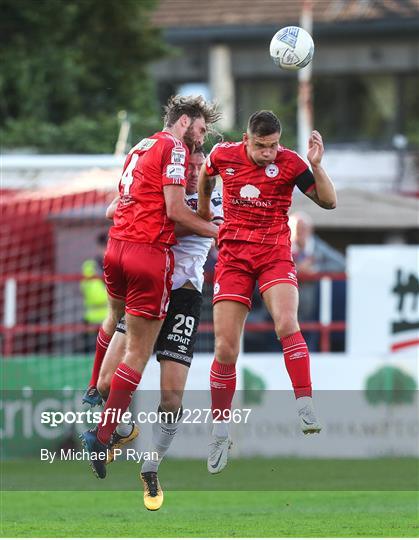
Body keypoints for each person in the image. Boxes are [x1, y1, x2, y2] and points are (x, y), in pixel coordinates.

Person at [80, 95, 221, 480]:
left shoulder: (213, 192)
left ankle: (152, 463)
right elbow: (157, 214)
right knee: (114, 380)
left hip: (184, 292)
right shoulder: (169, 160)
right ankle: (114, 427)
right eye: (190, 163)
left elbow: (148, 214)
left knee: (171, 397)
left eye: (199, 167)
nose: (193, 170)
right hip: (151, 271)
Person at [197, 110, 337, 474]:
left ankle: (305, 402)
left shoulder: (290, 163)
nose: (269, 153)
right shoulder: (223, 155)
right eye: (262, 146)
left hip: (274, 255)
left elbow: (329, 202)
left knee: (286, 323)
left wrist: (317, 166)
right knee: (226, 348)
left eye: (274, 145)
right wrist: (202, 208)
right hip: (233, 260)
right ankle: (219, 431)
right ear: (246, 140)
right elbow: (205, 173)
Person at [289, 212, 346, 350]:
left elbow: (341, 264)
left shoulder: (318, 248)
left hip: (312, 308)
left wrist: (316, 269)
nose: (299, 233)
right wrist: (296, 271)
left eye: (303, 228)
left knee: (310, 343)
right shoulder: (282, 246)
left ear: (310, 230)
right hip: (286, 307)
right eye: (295, 228)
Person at [79, 233, 109, 353]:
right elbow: (94, 294)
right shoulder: (90, 266)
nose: (106, 249)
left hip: (114, 321)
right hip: (93, 321)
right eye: (104, 246)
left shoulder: (119, 264)